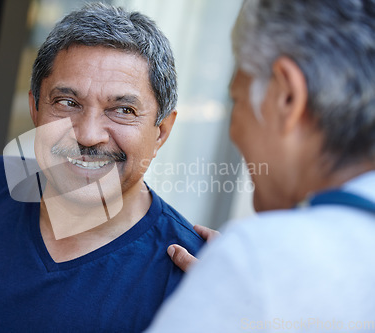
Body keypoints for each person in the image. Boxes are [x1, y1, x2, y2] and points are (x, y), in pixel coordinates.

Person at [0, 3, 204, 332]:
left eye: (123, 109)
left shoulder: (193, 276)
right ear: (34, 109)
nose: (88, 135)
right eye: (67, 103)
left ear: (161, 131)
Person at [150, 0, 375, 331]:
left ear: (287, 97)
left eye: (236, 99)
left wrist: (235, 292)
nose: (233, 129)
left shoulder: (258, 264)